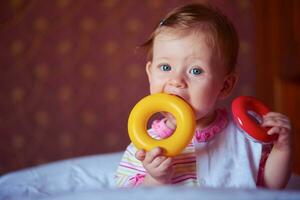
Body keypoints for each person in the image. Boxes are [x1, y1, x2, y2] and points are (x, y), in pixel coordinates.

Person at [114, 3, 292, 189]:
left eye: (196, 70)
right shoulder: (144, 146)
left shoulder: (245, 136)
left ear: (224, 85)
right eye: (166, 67)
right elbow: (128, 195)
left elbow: (270, 187)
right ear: (150, 73)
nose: (176, 81)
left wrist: (281, 150)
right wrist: (155, 179)